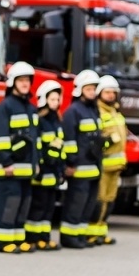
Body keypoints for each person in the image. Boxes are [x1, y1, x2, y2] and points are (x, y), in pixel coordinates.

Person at [0, 62, 38, 252]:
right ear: (13, 83)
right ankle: (3, 241)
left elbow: (35, 140)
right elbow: (0, 138)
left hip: (27, 169)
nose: (25, 84)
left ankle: (18, 239)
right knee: (9, 204)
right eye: (22, 80)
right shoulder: (5, 107)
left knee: (23, 204)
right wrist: (6, 161)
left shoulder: (31, 108)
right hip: (10, 168)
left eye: (28, 80)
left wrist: (37, 163)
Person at [59, 76, 103, 250]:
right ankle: (69, 237)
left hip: (94, 168)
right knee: (75, 204)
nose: (92, 92)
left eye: (93, 89)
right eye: (88, 89)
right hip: (78, 169)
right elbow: (69, 140)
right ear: (79, 90)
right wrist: (70, 163)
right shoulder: (73, 112)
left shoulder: (94, 110)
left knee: (88, 205)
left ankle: (80, 235)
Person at [26, 79, 66, 249]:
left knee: (49, 208)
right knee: (38, 207)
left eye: (57, 99)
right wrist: (41, 165)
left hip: (54, 173)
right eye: (52, 99)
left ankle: (44, 237)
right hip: (42, 173)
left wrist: (61, 169)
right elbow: (37, 145)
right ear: (44, 100)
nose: (55, 103)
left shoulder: (57, 121)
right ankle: (33, 238)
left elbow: (60, 145)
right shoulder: (40, 121)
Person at [93, 75, 127, 245]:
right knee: (99, 200)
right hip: (104, 165)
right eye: (107, 92)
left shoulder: (116, 112)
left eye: (113, 92)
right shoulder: (97, 112)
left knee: (110, 200)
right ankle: (93, 232)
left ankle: (101, 231)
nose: (111, 95)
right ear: (100, 93)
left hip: (116, 166)